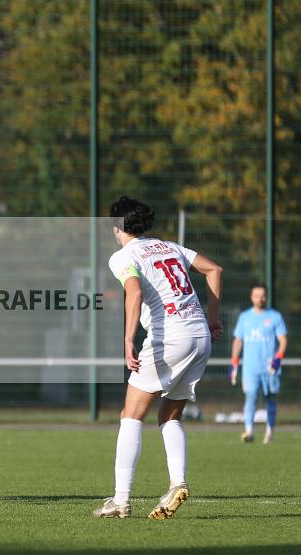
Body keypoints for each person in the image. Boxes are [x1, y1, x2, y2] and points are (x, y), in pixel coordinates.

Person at [93, 196, 223, 520]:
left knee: (131, 414)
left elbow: (134, 292)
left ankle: (121, 500)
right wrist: (214, 317)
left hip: (171, 338)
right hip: (199, 336)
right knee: (170, 415)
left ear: (117, 228)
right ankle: (177, 482)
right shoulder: (170, 247)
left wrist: (127, 339)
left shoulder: (124, 255)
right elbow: (214, 269)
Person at [229, 284, 288, 444]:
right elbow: (238, 341)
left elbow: (283, 340)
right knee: (250, 398)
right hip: (250, 367)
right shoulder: (244, 317)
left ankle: (269, 432)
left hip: (269, 367)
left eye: (262, 296)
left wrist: (278, 358)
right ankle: (249, 431)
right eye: (256, 295)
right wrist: (234, 362)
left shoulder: (275, 317)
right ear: (251, 297)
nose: (260, 299)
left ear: (266, 297)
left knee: (271, 399)